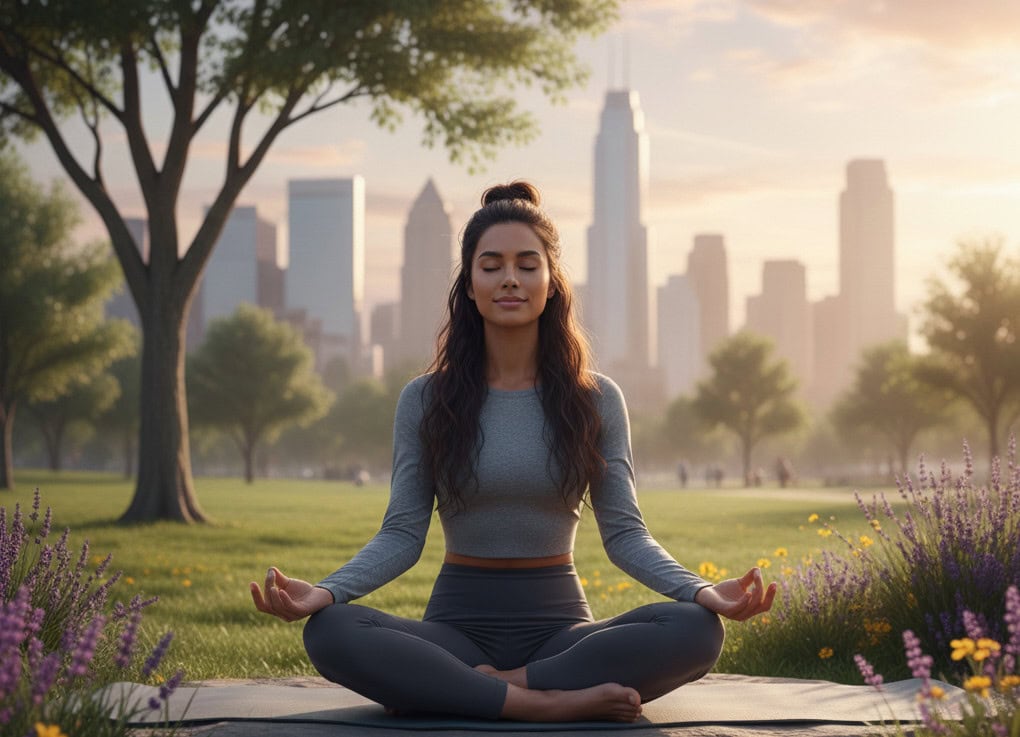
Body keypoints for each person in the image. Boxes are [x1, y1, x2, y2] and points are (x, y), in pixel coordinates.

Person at [250, 181, 776, 724]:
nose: (509, 279)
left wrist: (702, 590)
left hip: (561, 636)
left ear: (551, 284)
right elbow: (402, 534)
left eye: (528, 265)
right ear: (470, 285)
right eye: (491, 265)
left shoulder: (596, 399)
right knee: (332, 632)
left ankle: (498, 690)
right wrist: (327, 592)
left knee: (695, 630)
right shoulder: (425, 399)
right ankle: (542, 705)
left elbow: (625, 536)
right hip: (455, 630)